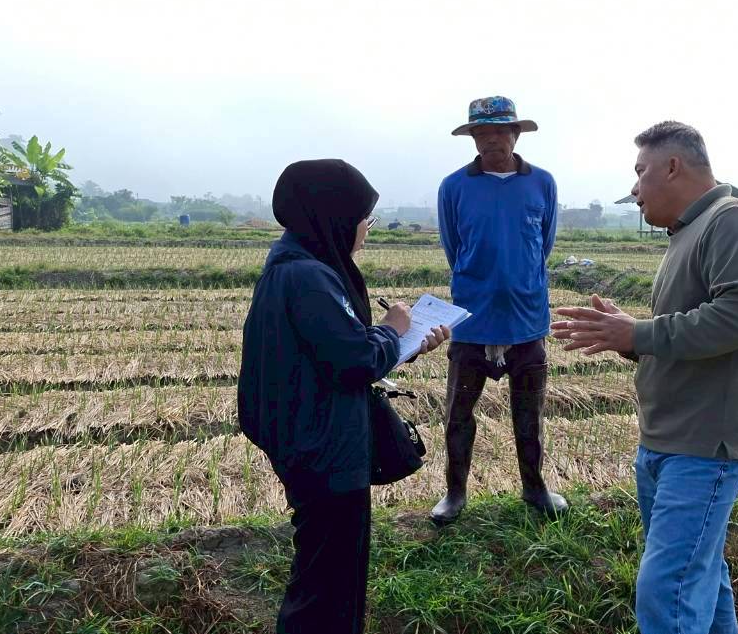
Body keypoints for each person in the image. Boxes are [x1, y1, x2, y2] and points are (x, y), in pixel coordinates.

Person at [552, 121, 738, 634]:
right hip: (667, 440)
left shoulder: (731, 221)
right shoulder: (688, 232)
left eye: (640, 172)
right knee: (699, 578)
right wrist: (627, 337)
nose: (633, 190)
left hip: (705, 445)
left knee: (668, 592)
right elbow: (689, 338)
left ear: (672, 167)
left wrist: (639, 334)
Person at [238, 159, 449, 634]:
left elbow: (331, 353)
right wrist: (393, 330)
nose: (366, 231)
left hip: (311, 440)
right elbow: (353, 360)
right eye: (363, 219)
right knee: (326, 586)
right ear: (332, 217)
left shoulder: (292, 266)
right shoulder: (309, 278)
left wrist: (401, 346)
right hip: (325, 449)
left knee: (329, 578)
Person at [432, 95, 565, 525]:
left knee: (529, 413)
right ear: (472, 139)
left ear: (516, 134)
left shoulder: (542, 183)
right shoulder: (453, 187)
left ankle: (535, 487)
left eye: (500, 131)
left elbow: (543, 246)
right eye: (482, 133)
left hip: (528, 321)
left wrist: (518, 280)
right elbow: (455, 249)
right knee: (459, 412)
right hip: (472, 321)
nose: (492, 140)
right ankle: (454, 493)